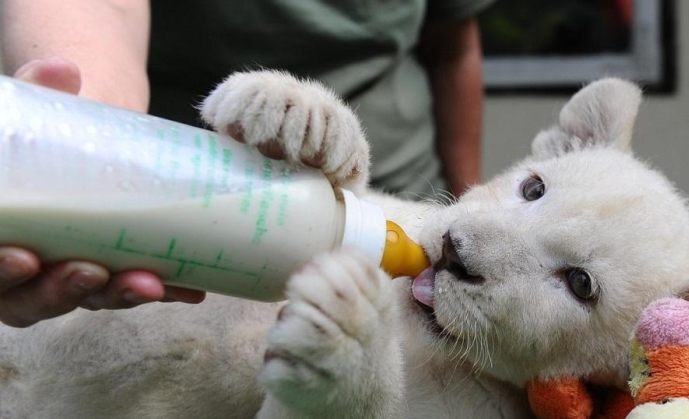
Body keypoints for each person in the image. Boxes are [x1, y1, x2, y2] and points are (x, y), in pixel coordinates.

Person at [0, 0, 494, 327]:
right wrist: (84, 131)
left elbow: (452, 46)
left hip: (406, 191)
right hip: (197, 196)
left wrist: (466, 198)